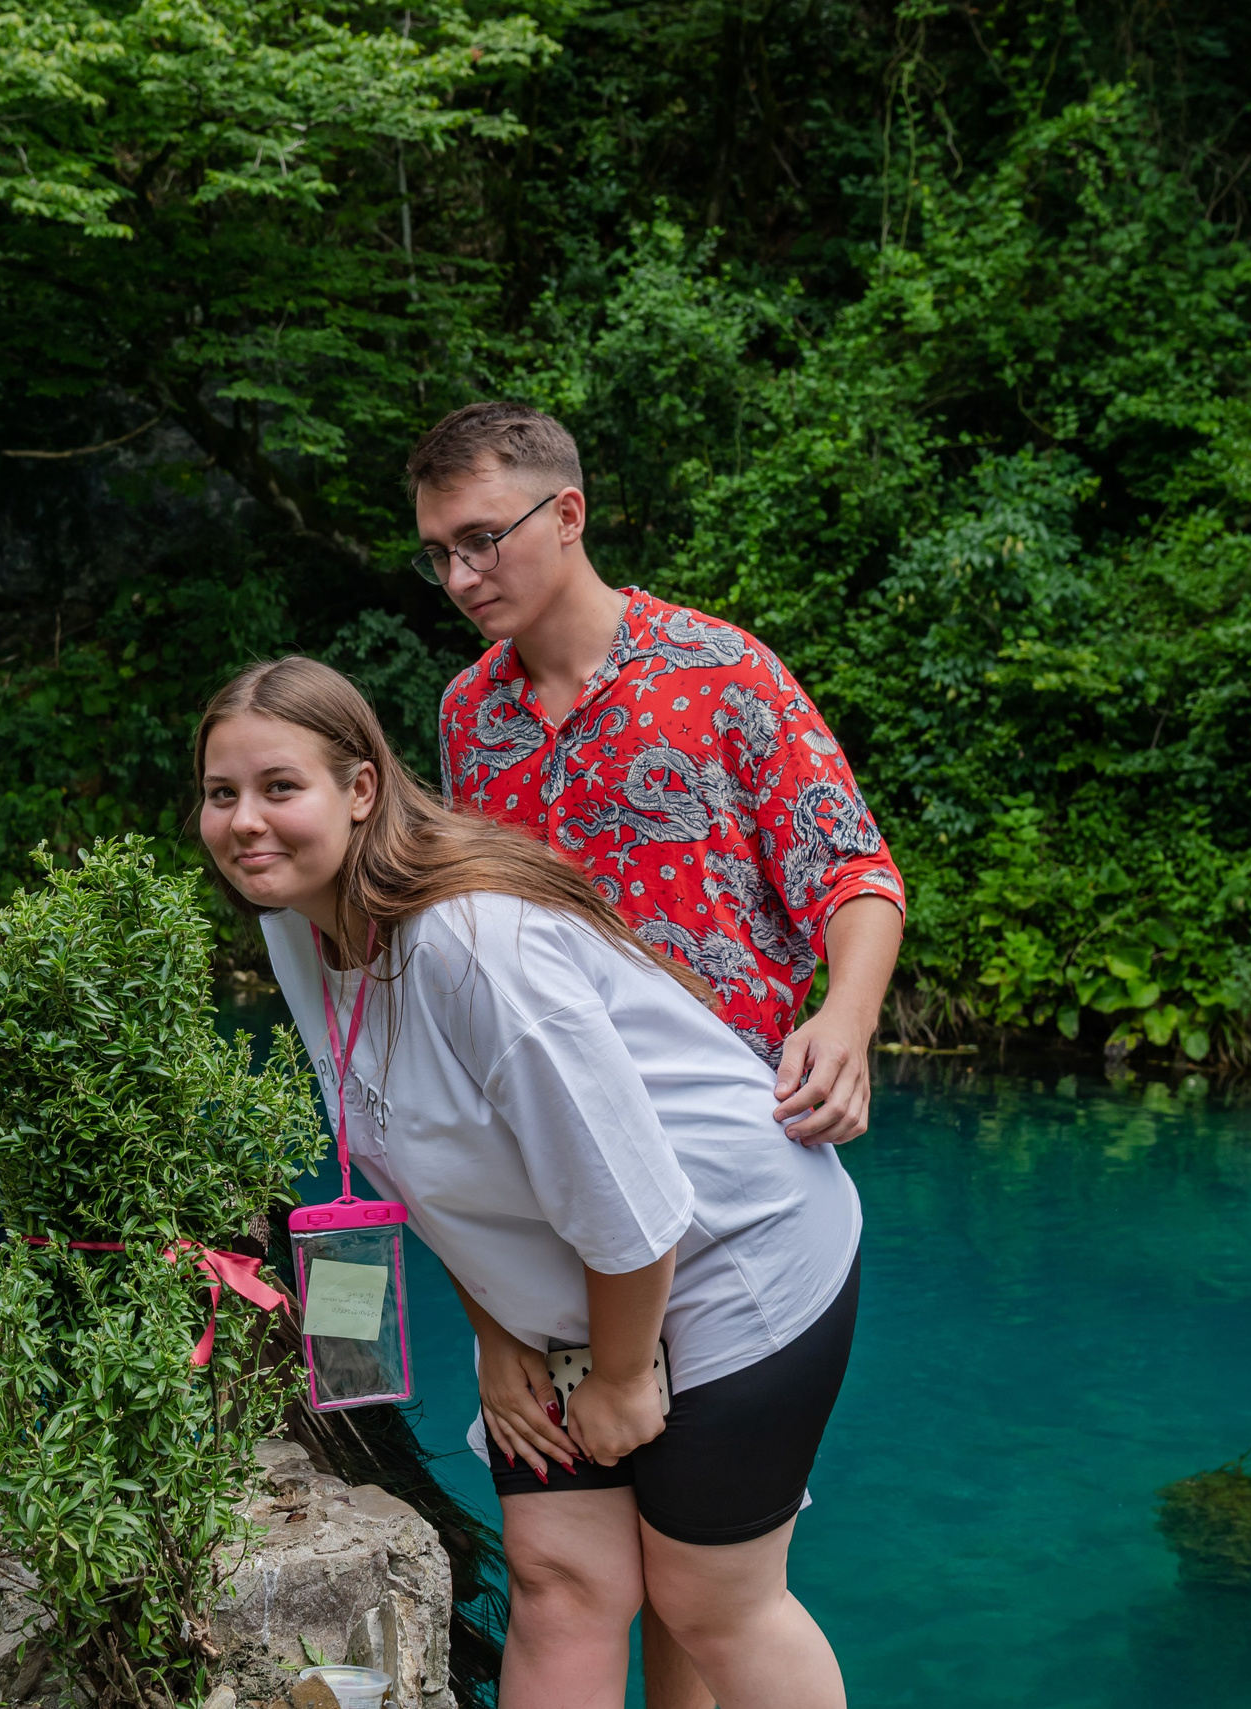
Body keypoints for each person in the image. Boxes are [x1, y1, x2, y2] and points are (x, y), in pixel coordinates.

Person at [197, 657, 860, 1709]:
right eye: (220, 792)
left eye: (279, 788)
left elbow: (633, 1199)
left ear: (361, 789)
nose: (243, 821)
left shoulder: (468, 941)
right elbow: (423, 1164)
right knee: (562, 1578)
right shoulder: (298, 923)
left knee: (708, 1599)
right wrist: (498, 1328)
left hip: (734, 1253)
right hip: (574, 1279)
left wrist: (623, 1377)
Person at [411, 402, 906, 1146]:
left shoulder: (725, 672)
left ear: (568, 514)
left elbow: (853, 874)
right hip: (552, 1152)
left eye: (482, 541)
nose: (459, 576)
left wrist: (847, 1020)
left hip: (737, 1137)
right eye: (439, 553)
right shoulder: (465, 714)